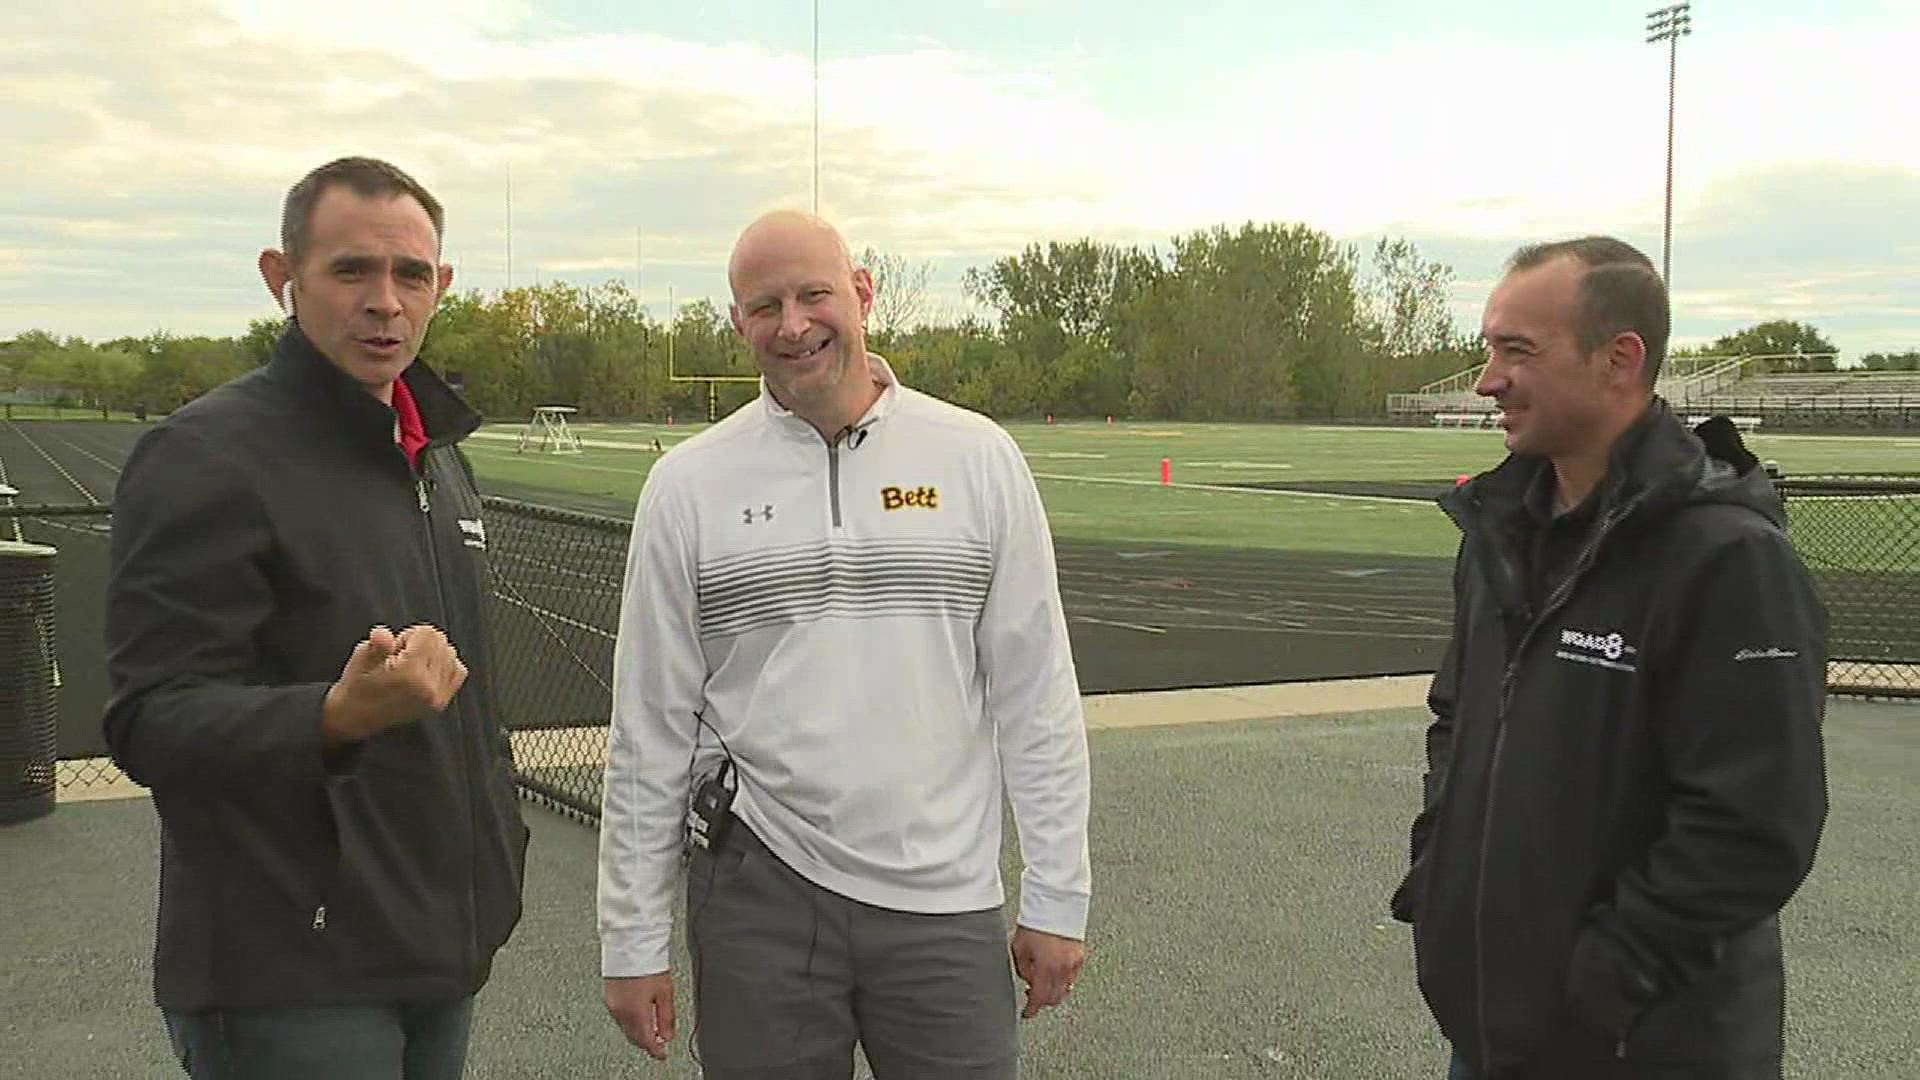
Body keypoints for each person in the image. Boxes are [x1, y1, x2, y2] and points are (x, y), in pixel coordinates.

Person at [598, 210, 1092, 1078]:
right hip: (761, 892)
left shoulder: (977, 460)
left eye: (814, 294)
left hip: (944, 895)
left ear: (862, 294)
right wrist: (631, 938)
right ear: (738, 324)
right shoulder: (687, 487)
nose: (792, 324)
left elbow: (1037, 695)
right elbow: (649, 729)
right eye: (764, 305)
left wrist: (1059, 895)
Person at [104, 156, 529, 1079]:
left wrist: (497, 861)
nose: (385, 301)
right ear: (281, 277)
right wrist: (333, 717)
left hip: (437, 942)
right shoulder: (205, 457)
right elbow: (148, 719)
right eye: (351, 271)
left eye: (411, 275)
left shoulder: (435, 456)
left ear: (440, 286)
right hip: (291, 969)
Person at [1390, 236, 1829, 1079]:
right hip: (1493, 1033)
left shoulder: (1725, 557)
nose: (1488, 378)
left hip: (1646, 1045)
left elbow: (1755, 823)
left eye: (1517, 351)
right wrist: (1437, 871)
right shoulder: (1499, 533)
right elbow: (1458, 718)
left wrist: (1613, 970)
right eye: (1489, 349)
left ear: (1619, 360)